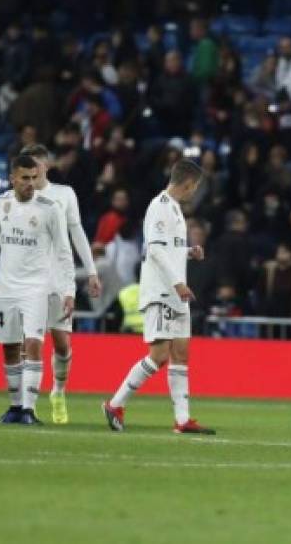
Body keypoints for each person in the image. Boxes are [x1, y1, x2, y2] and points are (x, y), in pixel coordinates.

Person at [103, 161, 215, 435]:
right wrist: (177, 283)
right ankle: (115, 404)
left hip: (176, 292)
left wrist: (189, 252)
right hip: (163, 291)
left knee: (181, 354)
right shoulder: (159, 207)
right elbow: (153, 250)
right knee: (159, 355)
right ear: (188, 183)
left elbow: (168, 249)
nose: (194, 192)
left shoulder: (175, 209)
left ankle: (182, 420)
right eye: (195, 187)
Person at [0, 154, 74, 425]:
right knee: (10, 348)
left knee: (33, 344)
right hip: (8, 287)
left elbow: (63, 250)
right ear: (12, 178)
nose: (30, 183)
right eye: (25, 178)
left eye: (34, 178)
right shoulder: (2, 202)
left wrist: (69, 291)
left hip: (37, 287)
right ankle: (14, 407)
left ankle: (29, 410)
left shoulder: (50, 208)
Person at [21, 144, 102, 424]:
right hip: (28, 277)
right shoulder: (21, 196)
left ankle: (58, 391)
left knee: (61, 343)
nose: (32, 171)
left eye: (36, 165)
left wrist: (90, 270)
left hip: (58, 278)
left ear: (46, 165)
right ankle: (24, 404)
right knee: (28, 341)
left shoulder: (64, 194)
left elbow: (76, 232)